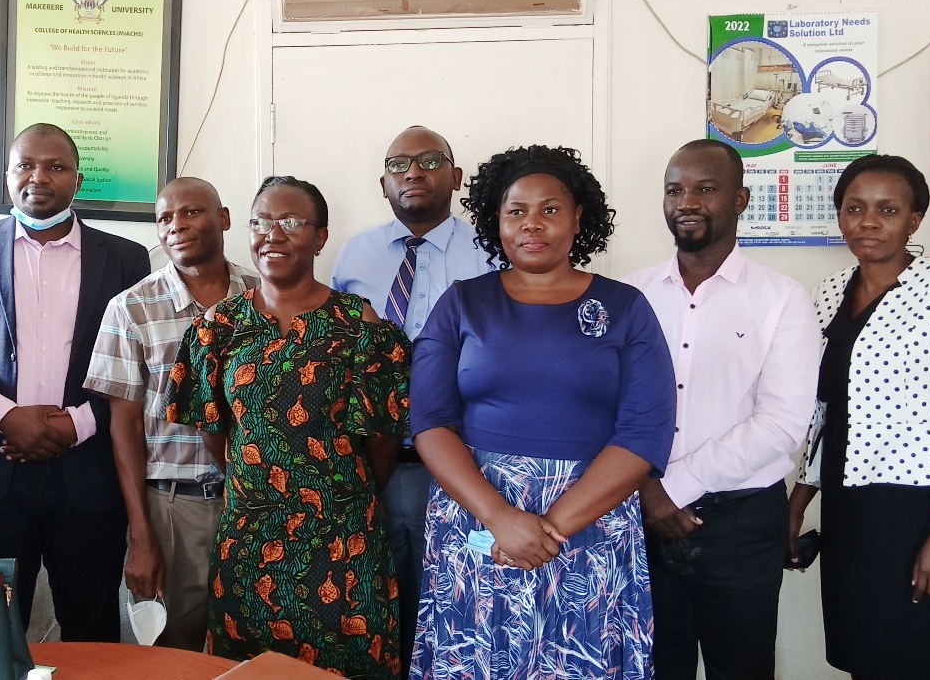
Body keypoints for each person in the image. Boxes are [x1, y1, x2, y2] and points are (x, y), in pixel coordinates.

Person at [409, 145, 676, 680]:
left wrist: (549, 528)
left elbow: (645, 431)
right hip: (478, 522)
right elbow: (430, 422)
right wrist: (501, 518)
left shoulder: (626, 309)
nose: (532, 224)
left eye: (550, 209)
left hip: (590, 523)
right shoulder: (462, 303)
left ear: (579, 218)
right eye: (516, 211)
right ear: (496, 220)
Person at [167, 176, 409, 679]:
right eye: (261, 222)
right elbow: (214, 430)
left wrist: (337, 494)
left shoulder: (360, 326)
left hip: (343, 543)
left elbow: (383, 441)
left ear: (320, 237)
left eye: (291, 223)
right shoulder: (217, 327)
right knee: (246, 671)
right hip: (249, 542)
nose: (272, 235)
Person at [0, 123, 150, 641]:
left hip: (89, 478)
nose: (39, 177)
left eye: (56, 166)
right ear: (6, 175)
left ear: (78, 179)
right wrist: (7, 416)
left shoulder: (124, 259)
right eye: (25, 165)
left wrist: (76, 424)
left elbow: (137, 366)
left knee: (92, 631)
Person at [788, 154, 930, 680]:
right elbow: (825, 410)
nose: (869, 221)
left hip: (920, 509)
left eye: (888, 209)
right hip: (849, 507)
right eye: (854, 208)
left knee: (922, 658)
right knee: (865, 656)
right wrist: (799, 500)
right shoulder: (829, 292)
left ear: (915, 219)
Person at [622, 139, 820, 680]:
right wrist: (645, 492)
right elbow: (606, 408)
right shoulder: (629, 295)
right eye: (674, 189)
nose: (687, 201)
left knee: (742, 667)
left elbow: (781, 424)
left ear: (741, 199)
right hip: (638, 510)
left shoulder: (782, 298)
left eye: (706, 189)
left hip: (741, 521)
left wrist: (673, 489)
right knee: (654, 666)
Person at [331, 126, 501, 654]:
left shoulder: (491, 252)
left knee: (455, 601)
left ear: (456, 176)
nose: (413, 172)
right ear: (382, 183)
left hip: (463, 462)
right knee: (375, 597)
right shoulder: (355, 255)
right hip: (374, 463)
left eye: (429, 160)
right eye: (399, 163)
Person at [84, 177, 257, 651]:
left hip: (258, 505)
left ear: (223, 218)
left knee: (256, 648)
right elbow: (124, 426)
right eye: (164, 218)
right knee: (170, 652)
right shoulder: (130, 309)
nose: (177, 225)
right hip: (173, 506)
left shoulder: (264, 298)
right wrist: (141, 534)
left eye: (192, 212)